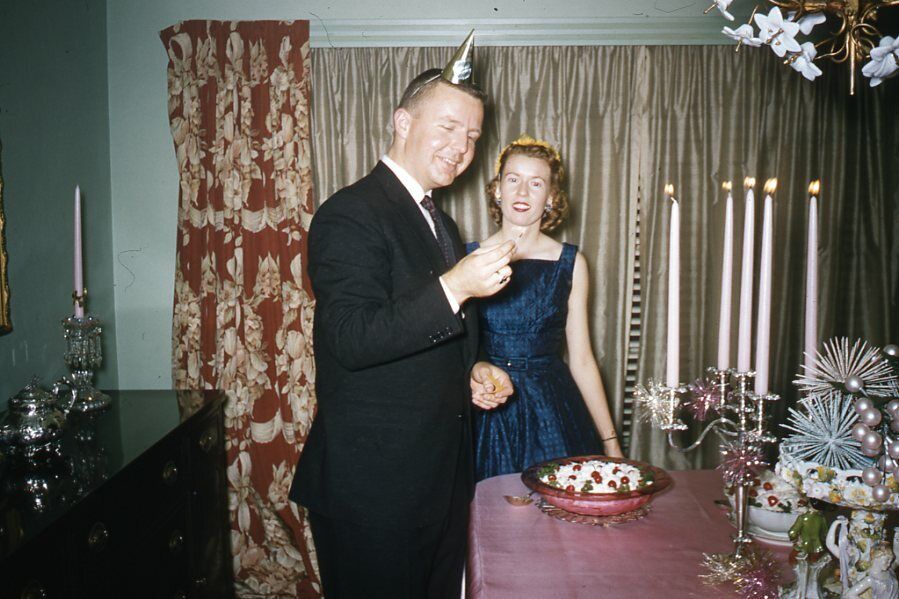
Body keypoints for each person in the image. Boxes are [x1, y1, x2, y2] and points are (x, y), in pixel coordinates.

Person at [289, 33, 515, 598]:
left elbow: (415, 337)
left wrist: (469, 372)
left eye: (471, 136)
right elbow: (350, 338)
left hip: (437, 481)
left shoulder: (441, 224)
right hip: (375, 491)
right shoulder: (350, 213)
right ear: (402, 122)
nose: (461, 147)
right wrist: (456, 285)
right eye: (447, 127)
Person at [466, 134, 624, 481]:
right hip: (487, 409)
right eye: (513, 180)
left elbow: (581, 358)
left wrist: (611, 442)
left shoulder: (570, 263)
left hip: (554, 410)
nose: (522, 193)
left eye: (535, 184)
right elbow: (455, 353)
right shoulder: (468, 259)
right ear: (497, 191)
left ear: (551, 198)